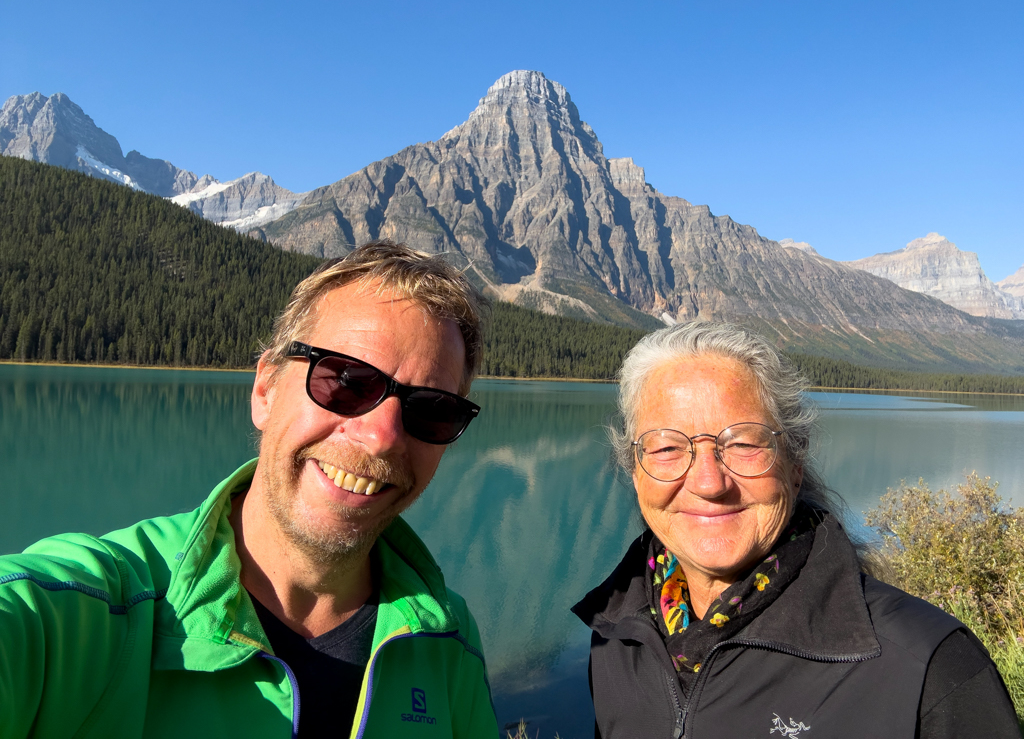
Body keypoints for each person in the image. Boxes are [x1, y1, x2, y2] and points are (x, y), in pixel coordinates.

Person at [0, 241, 499, 738]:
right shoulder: (83, 614)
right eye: (346, 381)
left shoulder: (448, 639)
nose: (381, 437)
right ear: (266, 389)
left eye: (432, 409)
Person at [572, 321, 1020, 739]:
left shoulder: (930, 667)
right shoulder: (617, 639)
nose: (709, 483)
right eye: (668, 447)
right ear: (635, 471)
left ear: (795, 465)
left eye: (744, 443)